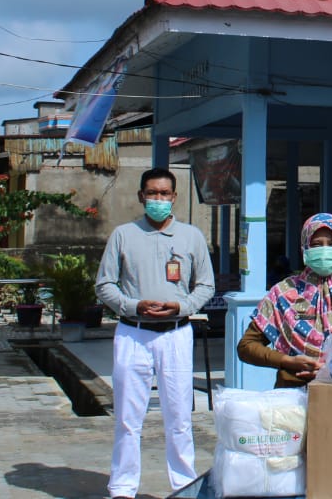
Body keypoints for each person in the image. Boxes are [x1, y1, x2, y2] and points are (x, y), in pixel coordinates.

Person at [95, 167, 216, 499]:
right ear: (141, 196)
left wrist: (182, 307)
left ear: (174, 197)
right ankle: (122, 487)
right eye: (152, 193)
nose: (158, 199)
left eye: (165, 194)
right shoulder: (123, 234)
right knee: (127, 416)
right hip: (133, 333)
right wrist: (134, 306)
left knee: (178, 415)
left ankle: (183, 483)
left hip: (175, 334)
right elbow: (104, 284)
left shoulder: (191, 236)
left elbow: (206, 285)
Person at [237, 212, 332, 387]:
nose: (325, 250)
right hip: (293, 392)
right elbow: (246, 346)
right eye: (317, 245)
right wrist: (287, 361)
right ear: (305, 248)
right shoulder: (283, 293)